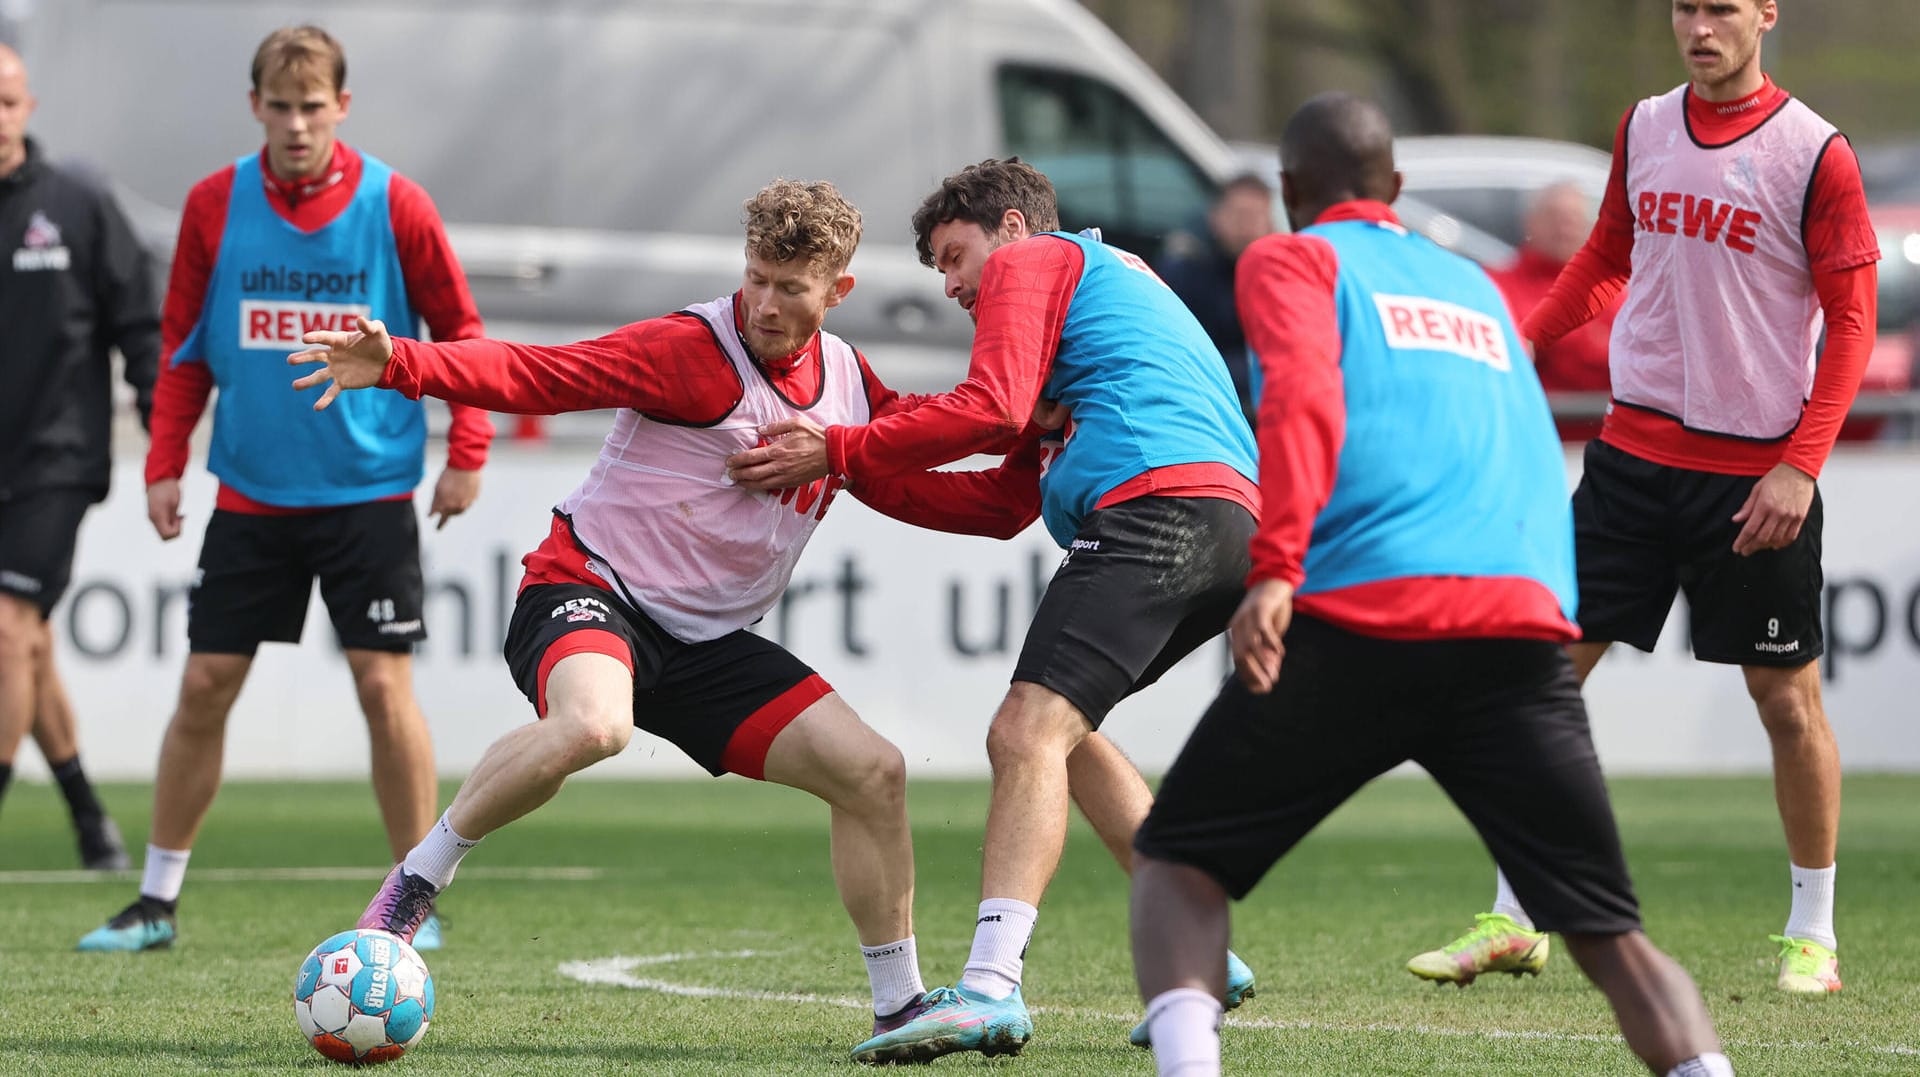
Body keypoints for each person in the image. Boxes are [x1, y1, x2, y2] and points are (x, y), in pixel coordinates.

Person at [1129, 91, 1734, 1077]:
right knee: (1611, 936)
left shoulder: (1292, 257)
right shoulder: (1478, 288)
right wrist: (1546, 609)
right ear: (1398, 188)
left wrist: (1275, 571)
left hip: (1364, 622)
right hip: (1517, 633)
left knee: (1175, 862)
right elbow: (1527, 446)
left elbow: (1303, 406)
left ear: (1287, 192)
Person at [290, 179, 939, 1057]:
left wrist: (1035, 443)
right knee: (597, 724)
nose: (767, 303)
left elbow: (935, 456)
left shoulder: (851, 390)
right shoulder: (692, 351)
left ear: (839, 291)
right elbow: (540, 373)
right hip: (587, 589)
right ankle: (414, 883)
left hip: (705, 643)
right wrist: (403, 361)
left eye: (792, 287)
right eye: (756, 278)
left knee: (876, 772)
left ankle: (901, 1008)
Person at [724, 158, 1262, 1064]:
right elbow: (999, 504)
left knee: (1022, 734)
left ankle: (988, 988)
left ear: (1011, 229)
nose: (952, 285)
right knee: (1065, 734)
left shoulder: (1036, 262)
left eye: (954, 256)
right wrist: (845, 468)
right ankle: (1203, 947)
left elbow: (990, 405)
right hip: (1227, 523)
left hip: (1159, 508)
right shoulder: (1089, 311)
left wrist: (842, 443)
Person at [1407, 0, 1877, 997]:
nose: (1700, 27)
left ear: (1766, 14)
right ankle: (1515, 916)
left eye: (1721, 8)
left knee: (1786, 702)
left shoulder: (1814, 153)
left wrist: (1801, 465)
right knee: (1540, 679)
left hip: (1754, 478)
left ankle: (1814, 936)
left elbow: (1853, 322)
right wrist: (1519, 343)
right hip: (1628, 461)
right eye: (1684, 7)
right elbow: (1603, 261)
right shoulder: (1643, 126)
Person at [77, 25, 494, 952]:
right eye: (281, 106)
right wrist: (162, 462)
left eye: (314, 106)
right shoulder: (214, 202)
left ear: (341, 107)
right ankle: (154, 902)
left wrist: (469, 445)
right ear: (255, 106)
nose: (297, 123)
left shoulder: (397, 204)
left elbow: (462, 332)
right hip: (254, 495)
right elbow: (183, 343)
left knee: (384, 686)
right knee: (206, 683)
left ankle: (407, 905)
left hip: (367, 492)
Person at [0, 43, 154, 870]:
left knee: (5, 629)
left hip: (54, 460)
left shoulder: (78, 203)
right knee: (25, 646)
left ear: (28, 106)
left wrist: (161, 421)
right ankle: (91, 819)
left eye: (6, 101)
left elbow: (140, 321)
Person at [1488, 181, 1620, 441]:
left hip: (1608, 446)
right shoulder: (1498, 287)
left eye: (1574, 218)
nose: (1565, 227)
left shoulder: (1615, 291)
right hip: (1536, 440)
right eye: (1555, 217)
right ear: (1530, 223)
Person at [1156, 174, 1275, 426]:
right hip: (1195, 411)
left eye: (1255, 217)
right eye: (1238, 215)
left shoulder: (1277, 280)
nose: (1246, 227)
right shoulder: (1185, 272)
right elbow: (1178, 360)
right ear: (1215, 217)